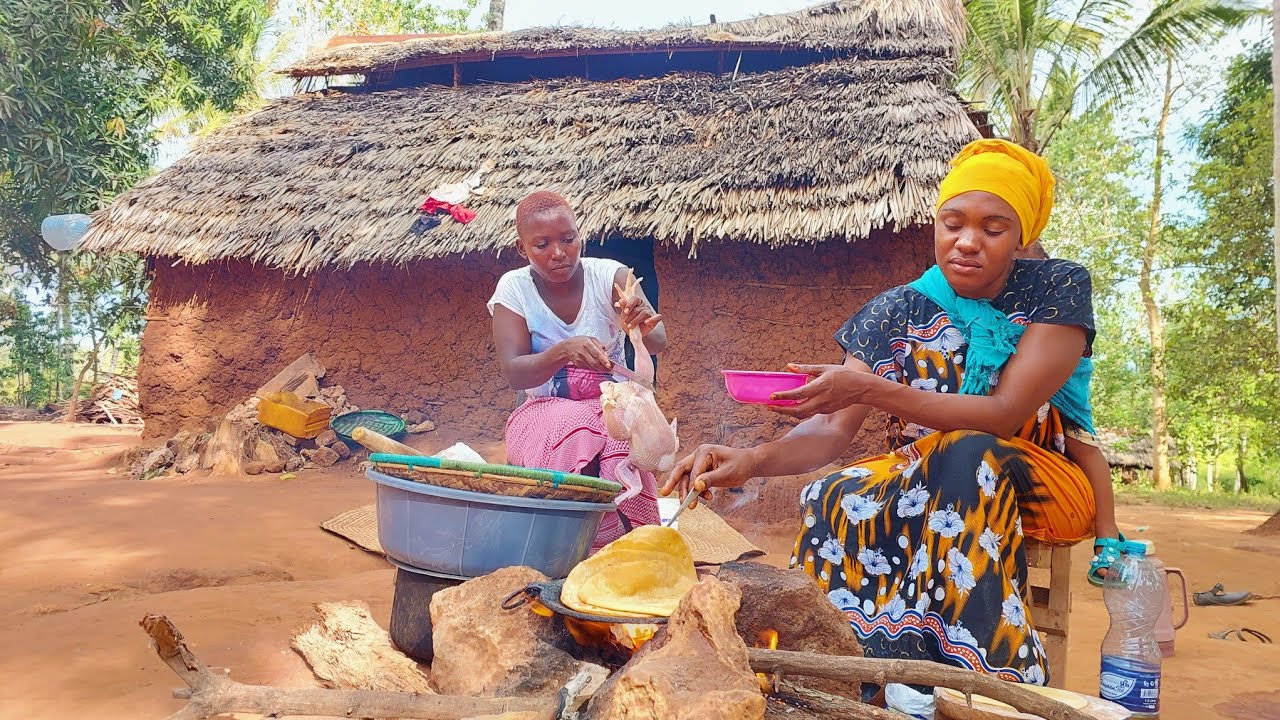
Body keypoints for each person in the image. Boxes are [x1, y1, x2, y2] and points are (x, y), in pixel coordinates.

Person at [663, 139, 1118, 688]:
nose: (967, 242)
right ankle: (857, 668)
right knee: (829, 493)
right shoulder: (897, 308)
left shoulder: (1057, 289)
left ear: (1021, 235)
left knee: (965, 450)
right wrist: (753, 458)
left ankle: (984, 675)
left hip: (1039, 479)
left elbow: (1002, 413)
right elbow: (833, 430)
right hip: (922, 476)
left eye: (992, 229)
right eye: (952, 223)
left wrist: (872, 389)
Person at [489, 190, 667, 549]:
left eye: (568, 239)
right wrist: (563, 351)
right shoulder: (514, 289)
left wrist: (642, 324)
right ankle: (567, 545)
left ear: (579, 235)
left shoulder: (611, 276)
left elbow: (659, 341)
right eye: (542, 244)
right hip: (542, 412)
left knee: (620, 439)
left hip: (614, 409)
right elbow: (515, 373)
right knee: (579, 426)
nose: (559, 253)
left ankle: (626, 546)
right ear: (521, 248)